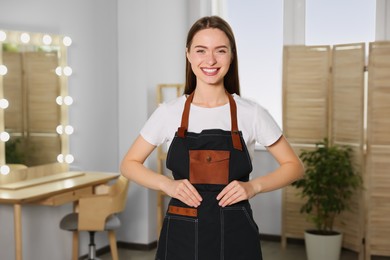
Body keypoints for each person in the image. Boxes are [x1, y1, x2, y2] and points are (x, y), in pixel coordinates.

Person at [120, 15, 304, 260]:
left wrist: (253, 186)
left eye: (220, 50)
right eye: (201, 50)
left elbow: (294, 167)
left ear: (231, 55)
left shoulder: (251, 113)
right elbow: (128, 164)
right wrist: (167, 184)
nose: (210, 60)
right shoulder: (169, 112)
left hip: (236, 235)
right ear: (188, 55)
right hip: (181, 235)